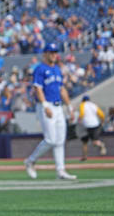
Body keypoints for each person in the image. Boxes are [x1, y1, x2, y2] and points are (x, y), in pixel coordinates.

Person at [24, 43, 77, 180]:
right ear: (45, 54)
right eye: (51, 52)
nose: (54, 54)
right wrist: (45, 105)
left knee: (60, 141)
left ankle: (61, 171)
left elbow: (62, 89)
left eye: (55, 52)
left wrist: (70, 107)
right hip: (46, 106)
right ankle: (30, 161)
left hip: (58, 107)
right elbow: (38, 88)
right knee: (51, 139)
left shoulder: (58, 69)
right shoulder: (40, 69)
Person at [78, 95, 107, 161]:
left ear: (83, 100)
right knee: (93, 141)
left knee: (85, 142)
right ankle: (100, 145)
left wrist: (79, 119)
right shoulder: (94, 105)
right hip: (95, 124)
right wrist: (102, 121)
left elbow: (82, 113)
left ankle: (85, 156)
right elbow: (101, 114)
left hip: (86, 125)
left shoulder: (82, 104)